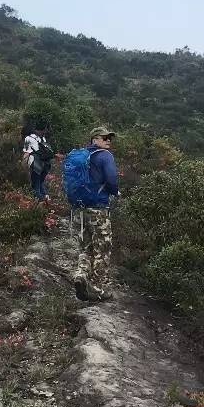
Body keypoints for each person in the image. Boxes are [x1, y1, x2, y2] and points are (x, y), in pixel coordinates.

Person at [61, 126, 119, 302]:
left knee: (86, 247)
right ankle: (98, 289)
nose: (108, 140)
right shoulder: (105, 156)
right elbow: (111, 179)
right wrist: (114, 192)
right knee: (102, 248)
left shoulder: (82, 156)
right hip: (98, 209)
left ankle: (81, 274)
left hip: (79, 210)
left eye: (110, 138)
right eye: (104, 137)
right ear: (95, 139)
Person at [21, 122, 53, 200]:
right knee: (40, 183)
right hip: (45, 165)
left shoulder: (28, 138)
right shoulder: (42, 138)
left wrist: (23, 166)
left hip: (36, 165)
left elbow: (26, 153)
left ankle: (39, 202)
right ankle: (46, 199)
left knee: (35, 185)